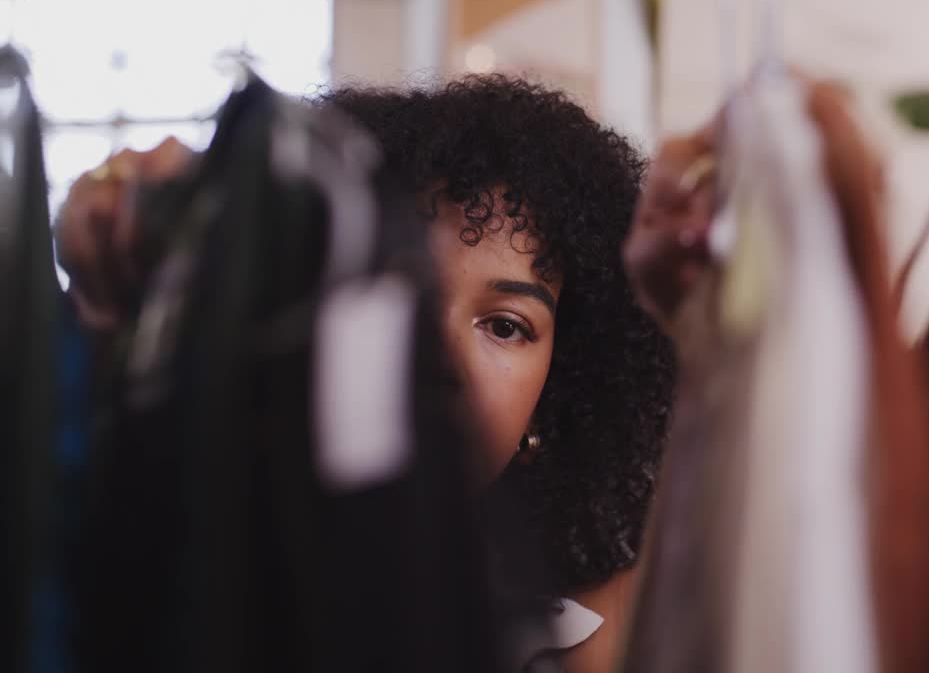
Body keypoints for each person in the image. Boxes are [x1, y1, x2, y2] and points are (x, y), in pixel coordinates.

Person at [55, 74, 676, 673]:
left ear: (555, 386)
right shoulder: (178, 578)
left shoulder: (599, 644)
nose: (440, 358)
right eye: (404, 291)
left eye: (505, 326)